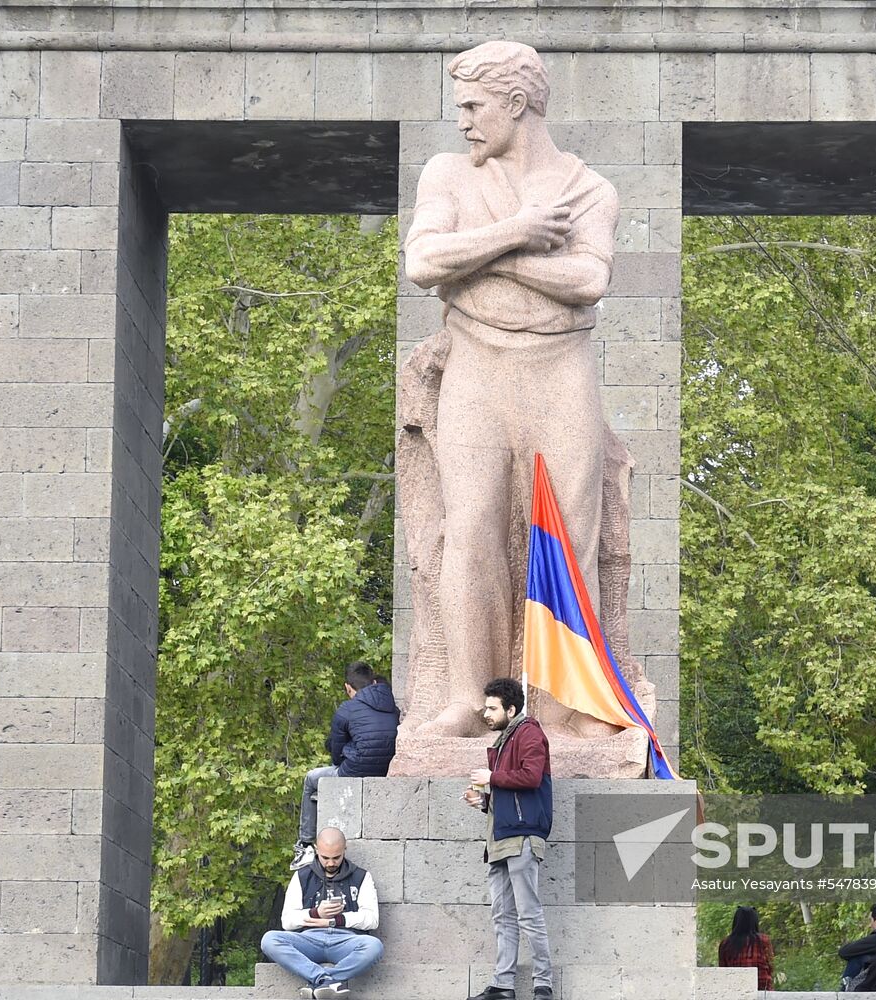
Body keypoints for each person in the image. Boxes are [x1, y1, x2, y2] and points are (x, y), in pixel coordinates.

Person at [401, 40, 621, 740]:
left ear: (517, 102)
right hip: (476, 366)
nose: (462, 120)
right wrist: (519, 234)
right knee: (470, 532)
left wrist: (490, 257)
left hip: (561, 370)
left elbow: (589, 279)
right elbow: (423, 261)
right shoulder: (447, 174)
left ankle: (564, 705)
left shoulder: (589, 189)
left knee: (569, 536)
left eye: (473, 105)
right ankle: (470, 699)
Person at [462, 677, 554, 1000]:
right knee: (503, 916)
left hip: (522, 837)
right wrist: (483, 801)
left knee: (529, 914)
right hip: (500, 839)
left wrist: (491, 777)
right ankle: (503, 986)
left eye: (492, 708)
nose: (486, 714)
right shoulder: (505, 741)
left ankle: (543, 985)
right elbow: (510, 793)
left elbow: (531, 777)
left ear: (510, 709)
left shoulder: (529, 733)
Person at [293, 662, 399, 870]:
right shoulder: (393, 707)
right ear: (374, 682)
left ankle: (305, 844)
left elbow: (336, 754)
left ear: (348, 687)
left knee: (312, 779)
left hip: (355, 769)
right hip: (388, 768)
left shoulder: (347, 709)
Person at [260, 827, 383, 998]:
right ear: (317, 850)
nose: (331, 863)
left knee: (374, 946)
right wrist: (316, 913)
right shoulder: (302, 876)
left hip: (346, 939)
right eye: (325, 858)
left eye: (336, 857)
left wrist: (336, 920)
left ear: (344, 849)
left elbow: (372, 919)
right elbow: (287, 921)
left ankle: (320, 982)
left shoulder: (362, 876)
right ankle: (325, 980)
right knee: (269, 940)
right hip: (309, 939)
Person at [717, 905, 775, 990]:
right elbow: (770, 966)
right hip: (762, 989)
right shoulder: (763, 940)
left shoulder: (725, 943)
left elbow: (723, 971)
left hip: (736, 989)